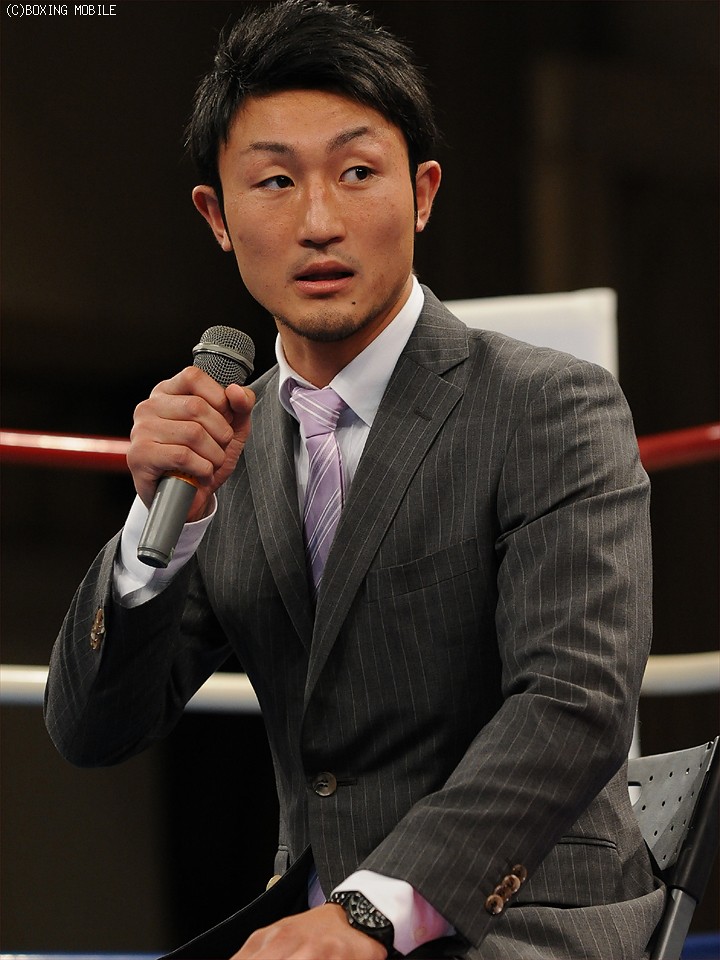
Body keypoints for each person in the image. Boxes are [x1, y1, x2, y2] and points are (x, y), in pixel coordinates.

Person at [45, 2, 665, 958]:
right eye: (275, 181)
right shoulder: (229, 440)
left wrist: (369, 912)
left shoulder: (549, 405)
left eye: (358, 172)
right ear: (216, 216)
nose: (319, 221)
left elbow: (573, 701)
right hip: (310, 919)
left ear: (422, 194)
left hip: (526, 921)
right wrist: (154, 531)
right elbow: (94, 730)